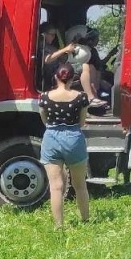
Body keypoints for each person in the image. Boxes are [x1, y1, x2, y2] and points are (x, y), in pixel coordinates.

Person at [39, 64, 90, 230]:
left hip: (52, 139)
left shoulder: (44, 97)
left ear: (56, 77)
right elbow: (82, 122)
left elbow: (44, 120)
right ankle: (85, 220)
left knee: (56, 187)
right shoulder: (81, 97)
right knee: (80, 184)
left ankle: (59, 226)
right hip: (74, 138)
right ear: (73, 78)